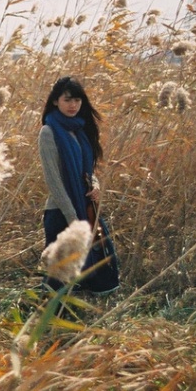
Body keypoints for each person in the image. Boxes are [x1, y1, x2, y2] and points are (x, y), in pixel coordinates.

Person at [38, 75, 119, 295]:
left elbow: (88, 170)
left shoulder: (80, 130)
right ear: (55, 101)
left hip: (87, 208)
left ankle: (82, 320)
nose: (73, 105)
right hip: (60, 211)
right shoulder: (49, 132)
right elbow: (53, 180)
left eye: (77, 100)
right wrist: (72, 217)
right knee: (58, 278)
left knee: (99, 270)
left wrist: (95, 183)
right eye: (67, 100)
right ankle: (47, 321)